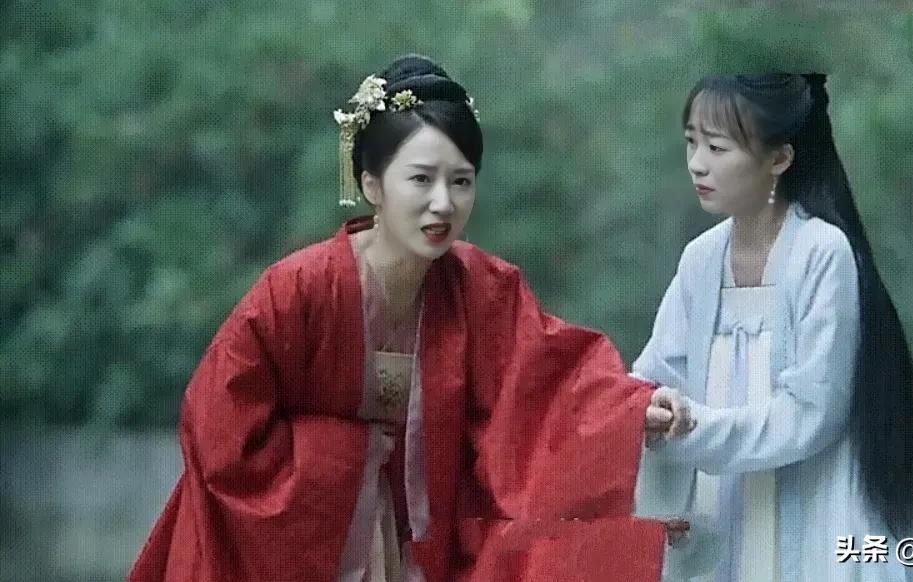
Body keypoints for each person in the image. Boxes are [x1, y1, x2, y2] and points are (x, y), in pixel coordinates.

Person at [128, 54, 692, 582]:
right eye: (421, 179)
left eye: (461, 180)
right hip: (312, 550)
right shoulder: (295, 292)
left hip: (420, 547)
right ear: (371, 184)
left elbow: (547, 380)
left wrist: (628, 409)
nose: (443, 202)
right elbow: (220, 430)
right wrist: (348, 457)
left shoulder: (483, 288)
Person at [632, 74, 913, 581]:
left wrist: (695, 429)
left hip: (814, 502)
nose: (697, 162)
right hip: (725, 508)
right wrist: (649, 409)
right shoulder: (700, 259)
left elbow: (812, 412)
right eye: (692, 142)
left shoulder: (821, 252)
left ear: (780, 158)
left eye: (717, 147)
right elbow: (655, 374)